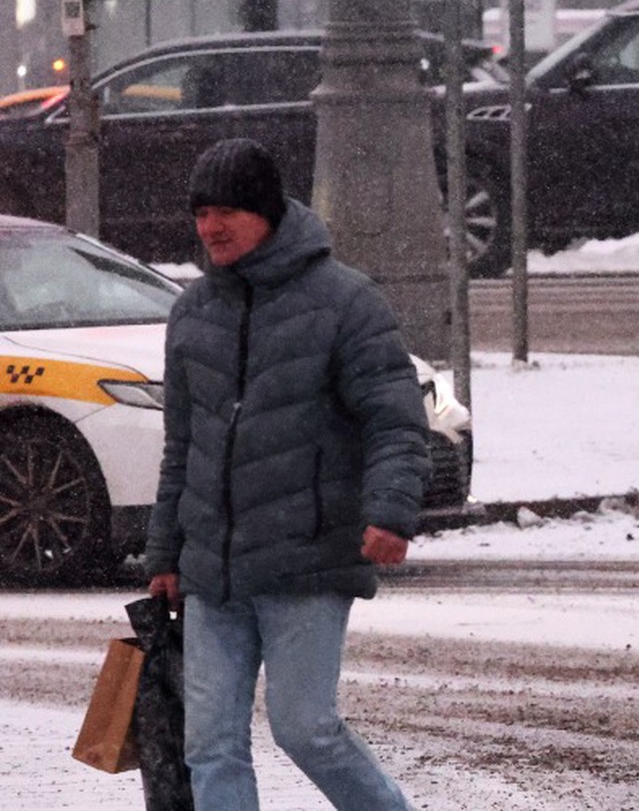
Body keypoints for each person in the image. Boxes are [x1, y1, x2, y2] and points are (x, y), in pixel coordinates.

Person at [145, 138, 430, 808]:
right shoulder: (192, 314)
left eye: (225, 212)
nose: (209, 228)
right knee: (208, 742)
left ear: (266, 212)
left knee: (306, 730)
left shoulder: (345, 303)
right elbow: (181, 447)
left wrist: (390, 511)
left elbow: (394, 418)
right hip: (213, 572)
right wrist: (165, 552)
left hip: (307, 559)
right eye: (200, 213)